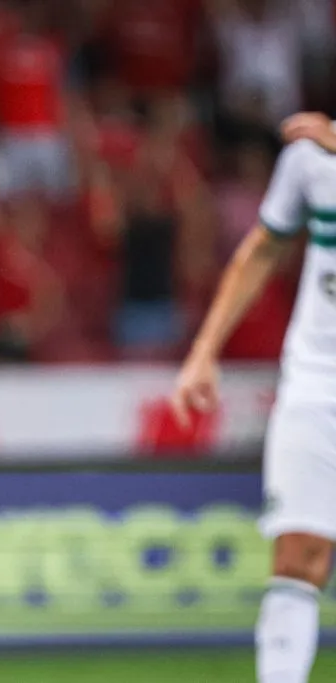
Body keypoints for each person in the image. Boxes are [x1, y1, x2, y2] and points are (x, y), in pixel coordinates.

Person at [172, 110, 336, 683]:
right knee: (297, 557)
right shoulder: (310, 161)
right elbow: (262, 250)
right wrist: (204, 351)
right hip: (317, 379)